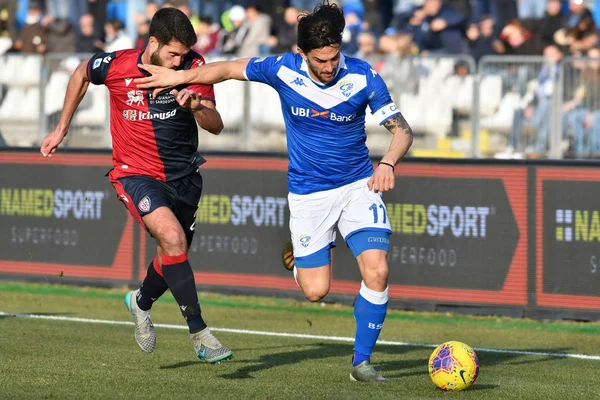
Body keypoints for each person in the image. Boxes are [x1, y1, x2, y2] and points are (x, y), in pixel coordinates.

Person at [135, 1, 413, 382]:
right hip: (309, 194)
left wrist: (387, 163)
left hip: (357, 185)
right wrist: (177, 79)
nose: (329, 67)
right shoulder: (282, 68)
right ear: (302, 53)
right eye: (320, 60)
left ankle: (361, 363)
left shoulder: (364, 77)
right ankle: (297, 258)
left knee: (377, 271)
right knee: (316, 291)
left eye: (333, 58)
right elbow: (228, 68)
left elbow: (403, 130)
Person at [39, 8, 232, 364]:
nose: (178, 62)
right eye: (173, 54)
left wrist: (193, 106)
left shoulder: (193, 66)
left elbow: (216, 125)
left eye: (183, 55)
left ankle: (140, 302)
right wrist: (61, 128)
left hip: (185, 177)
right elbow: (82, 73)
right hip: (135, 174)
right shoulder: (118, 65)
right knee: (172, 239)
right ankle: (200, 333)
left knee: (173, 253)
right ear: (153, 43)